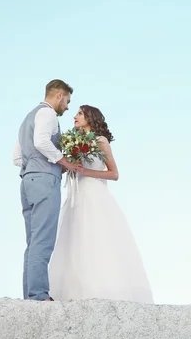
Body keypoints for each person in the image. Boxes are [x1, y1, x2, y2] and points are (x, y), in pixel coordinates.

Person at [48, 105, 154, 303]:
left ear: (90, 117)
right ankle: (74, 293)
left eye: (79, 113)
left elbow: (114, 174)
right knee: (74, 240)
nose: (75, 116)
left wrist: (86, 172)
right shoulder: (74, 142)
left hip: (94, 194)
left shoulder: (100, 141)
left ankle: (99, 291)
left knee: (96, 239)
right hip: (76, 198)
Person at [13, 79, 80, 301]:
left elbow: (17, 157)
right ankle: (39, 295)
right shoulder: (48, 114)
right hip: (44, 181)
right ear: (59, 95)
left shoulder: (27, 119)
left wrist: (35, 166)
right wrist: (64, 163)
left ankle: (30, 295)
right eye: (68, 101)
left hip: (27, 181)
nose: (68, 107)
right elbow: (42, 141)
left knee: (32, 243)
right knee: (43, 240)